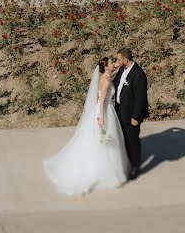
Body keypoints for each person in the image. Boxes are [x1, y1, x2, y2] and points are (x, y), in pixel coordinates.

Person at [42, 56, 129, 194]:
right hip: (104, 111)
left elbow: (98, 97)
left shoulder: (105, 77)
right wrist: (101, 117)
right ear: (106, 67)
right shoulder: (106, 80)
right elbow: (101, 101)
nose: (114, 64)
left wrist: (119, 62)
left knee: (100, 141)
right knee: (104, 140)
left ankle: (108, 168)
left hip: (104, 109)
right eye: (112, 63)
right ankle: (104, 171)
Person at [113, 48, 149, 179]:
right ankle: (127, 163)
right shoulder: (122, 70)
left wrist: (136, 117)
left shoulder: (139, 75)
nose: (117, 61)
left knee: (132, 141)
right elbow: (115, 84)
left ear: (125, 59)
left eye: (118, 59)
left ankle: (135, 167)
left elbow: (141, 98)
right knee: (124, 140)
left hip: (131, 116)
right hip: (120, 111)